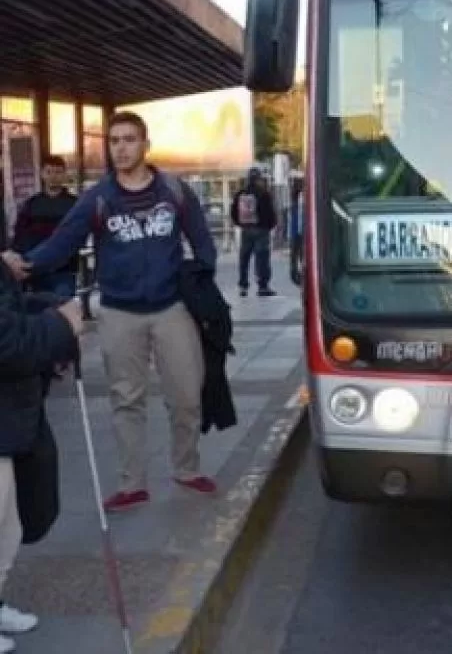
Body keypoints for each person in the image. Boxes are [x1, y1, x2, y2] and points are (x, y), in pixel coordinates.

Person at [1, 110, 219, 513]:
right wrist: (21, 266)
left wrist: (202, 277)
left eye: (129, 139)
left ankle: (186, 469)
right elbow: (63, 242)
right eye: (114, 141)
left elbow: (202, 240)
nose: (120, 148)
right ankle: (132, 482)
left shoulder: (173, 190)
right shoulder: (98, 198)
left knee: (187, 394)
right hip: (119, 312)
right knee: (126, 400)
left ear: (145, 145)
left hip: (171, 308)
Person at [0, 252, 84, 652]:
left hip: (11, 418)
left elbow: (10, 311)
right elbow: (9, 344)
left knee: (9, 524)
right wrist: (60, 325)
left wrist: (47, 306)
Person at [12, 155, 79, 298]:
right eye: (49, 172)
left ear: (64, 174)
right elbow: (20, 236)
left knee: (62, 313)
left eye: (58, 172)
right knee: (40, 313)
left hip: (64, 271)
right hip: (37, 271)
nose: (53, 176)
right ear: (42, 174)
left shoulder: (75, 204)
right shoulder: (31, 204)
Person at [230, 168, 277, 297]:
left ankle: (243, 286)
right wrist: (271, 225)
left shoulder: (240, 193)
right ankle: (262, 286)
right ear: (258, 179)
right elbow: (270, 213)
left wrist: (240, 224)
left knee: (244, 258)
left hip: (246, 230)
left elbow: (233, 212)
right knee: (261, 259)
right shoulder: (264, 193)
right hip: (261, 230)